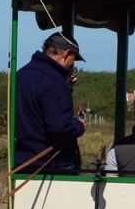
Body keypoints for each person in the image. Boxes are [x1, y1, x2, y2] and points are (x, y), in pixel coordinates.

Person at [13, 32, 86, 172]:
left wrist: (67, 87)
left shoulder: (21, 74)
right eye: (74, 59)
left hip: (22, 162)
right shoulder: (54, 81)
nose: (73, 65)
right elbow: (60, 127)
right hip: (51, 165)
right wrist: (79, 126)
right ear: (65, 53)